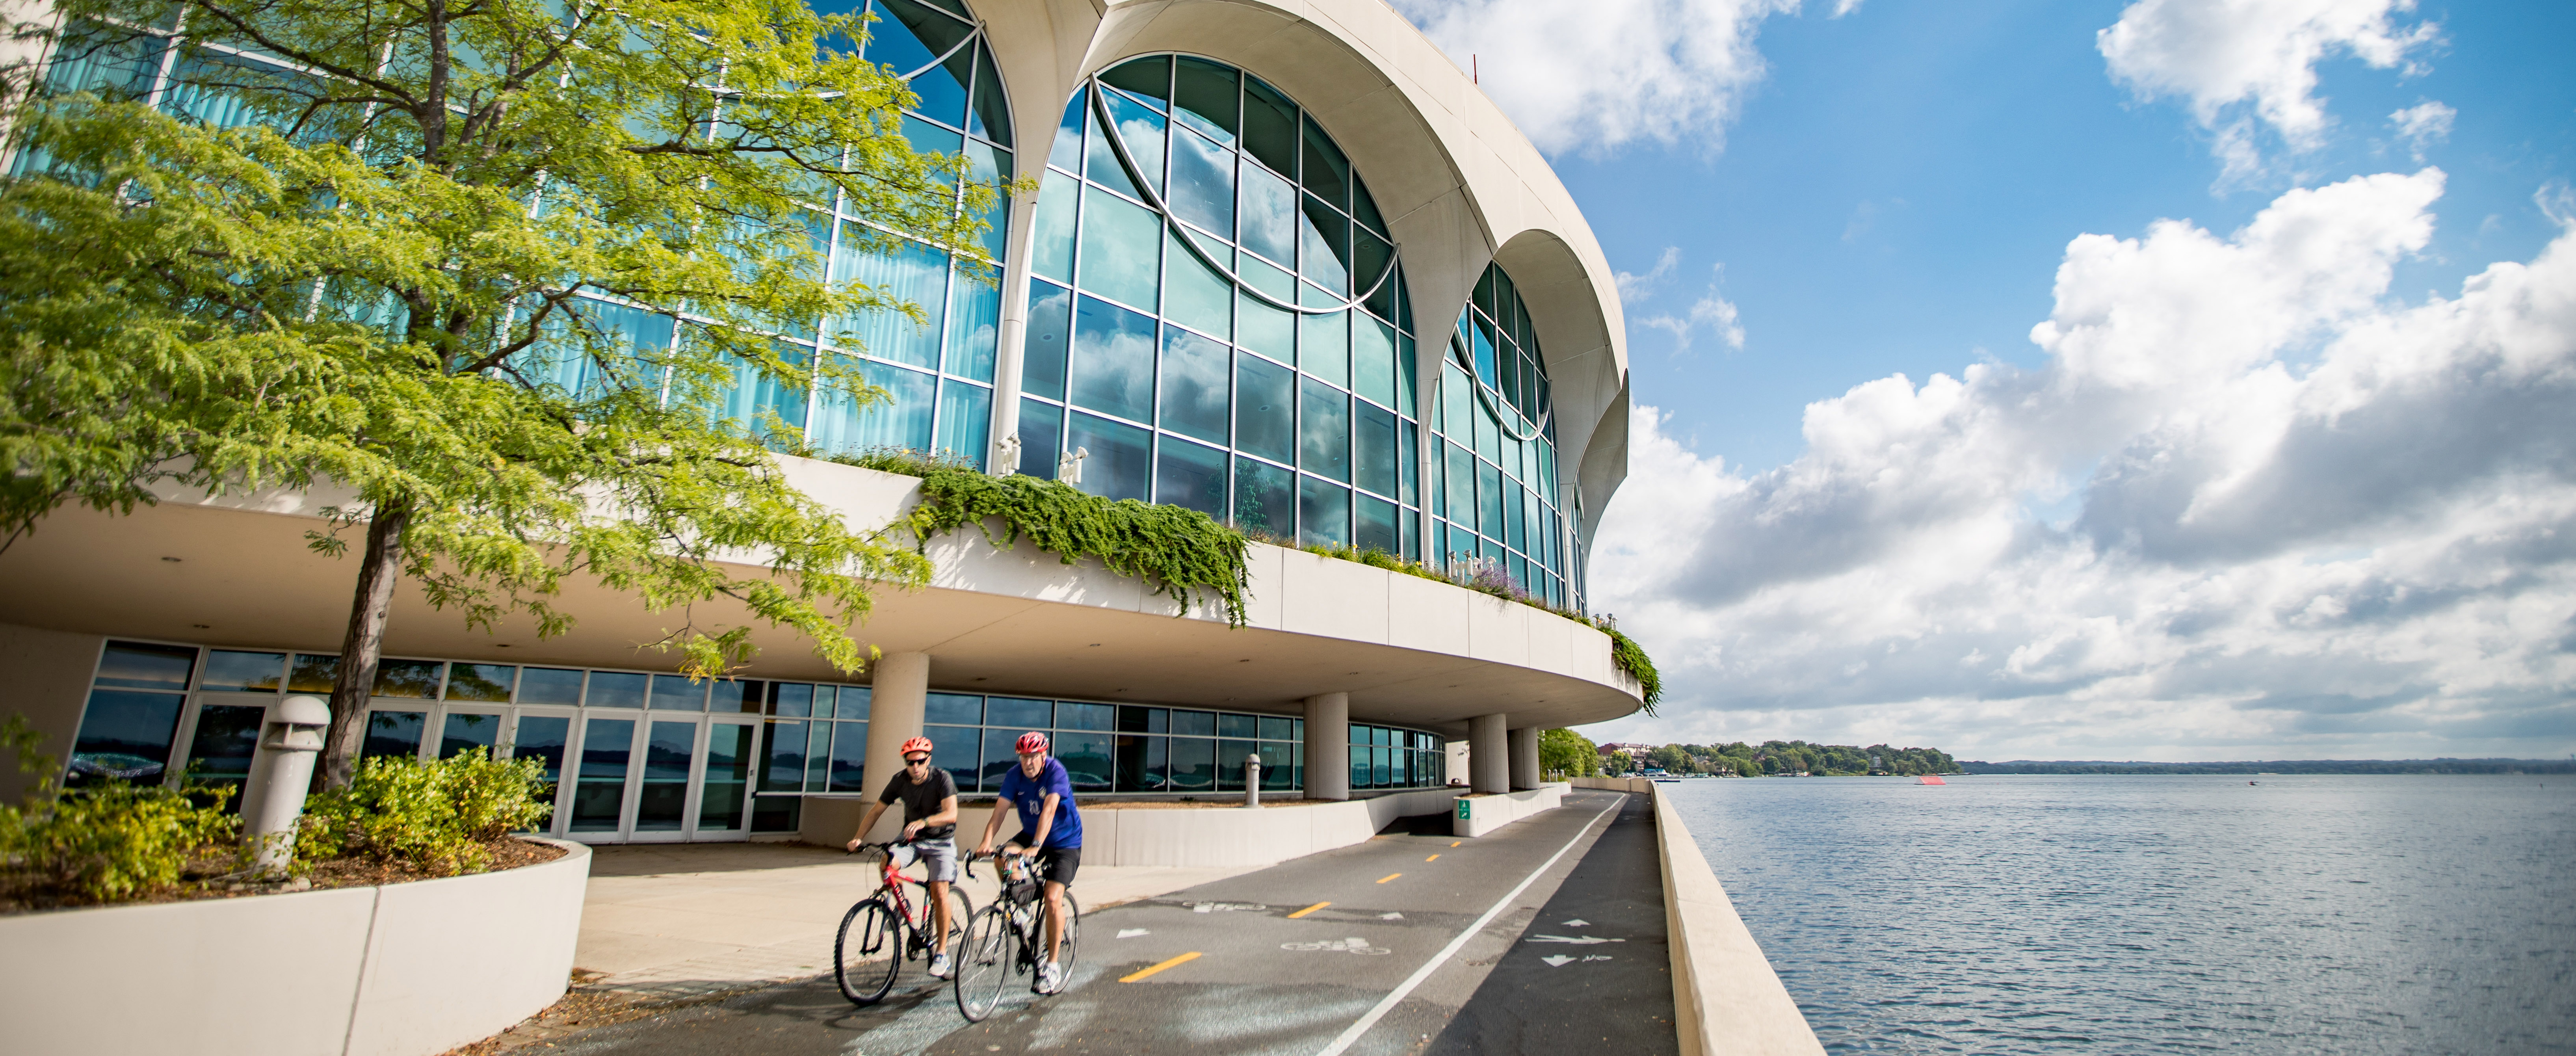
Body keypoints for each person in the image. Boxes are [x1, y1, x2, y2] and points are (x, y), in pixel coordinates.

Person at [975, 731, 1083, 995]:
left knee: (1053, 898)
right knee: (1002, 858)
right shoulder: (1015, 775)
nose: (1028, 762)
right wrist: (986, 842)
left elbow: (1049, 810)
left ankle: (1053, 966)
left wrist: (1035, 846)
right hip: (1032, 834)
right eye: (1024, 757)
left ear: (1043, 756)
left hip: (1064, 841)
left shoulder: (1056, 772)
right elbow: (1000, 811)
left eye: (1033, 757)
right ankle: (1021, 910)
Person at [849, 736, 960, 978]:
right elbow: (876, 810)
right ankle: (903, 906)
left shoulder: (942, 778)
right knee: (887, 862)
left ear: (928, 760)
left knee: (939, 891)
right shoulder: (899, 781)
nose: (915, 767)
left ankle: (942, 953)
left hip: (941, 841)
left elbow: (952, 814)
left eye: (920, 762)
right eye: (910, 763)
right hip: (912, 840)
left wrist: (924, 822)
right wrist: (858, 838)